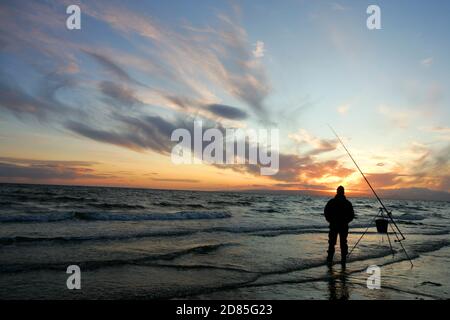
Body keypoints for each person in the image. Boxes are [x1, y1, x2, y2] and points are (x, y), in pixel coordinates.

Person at [324, 186, 354, 265]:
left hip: (334, 225)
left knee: (332, 243)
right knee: (343, 243)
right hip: (343, 226)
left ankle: (330, 259)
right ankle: (343, 260)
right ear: (343, 192)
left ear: (337, 192)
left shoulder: (332, 202)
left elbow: (326, 212)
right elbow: (352, 215)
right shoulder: (348, 203)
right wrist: (346, 221)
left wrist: (330, 220)